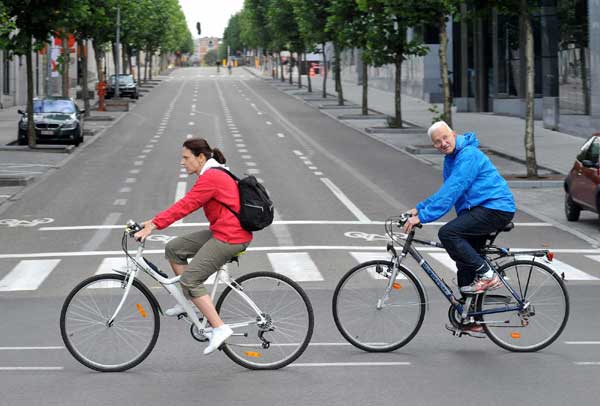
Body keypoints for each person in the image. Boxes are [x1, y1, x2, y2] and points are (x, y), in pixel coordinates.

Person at [134, 138, 252, 355]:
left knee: (190, 279)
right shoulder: (211, 174)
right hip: (223, 230)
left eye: (186, 157)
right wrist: (151, 222)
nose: (182, 162)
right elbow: (185, 205)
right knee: (174, 249)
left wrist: (154, 225)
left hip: (231, 236)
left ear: (201, 158)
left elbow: (186, 205)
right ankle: (189, 301)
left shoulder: (212, 177)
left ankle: (219, 328)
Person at [402, 121, 516, 298]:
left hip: (495, 207)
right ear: (434, 145)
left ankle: (488, 275)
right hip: (479, 208)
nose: (443, 143)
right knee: (465, 265)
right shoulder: (451, 158)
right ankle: (471, 320)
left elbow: (454, 189)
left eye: (445, 137)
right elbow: (446, 190)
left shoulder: (468, 155)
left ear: (453, 134)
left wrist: (423, 216)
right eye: (438, 141)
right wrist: (419, 208)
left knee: (448, 233)